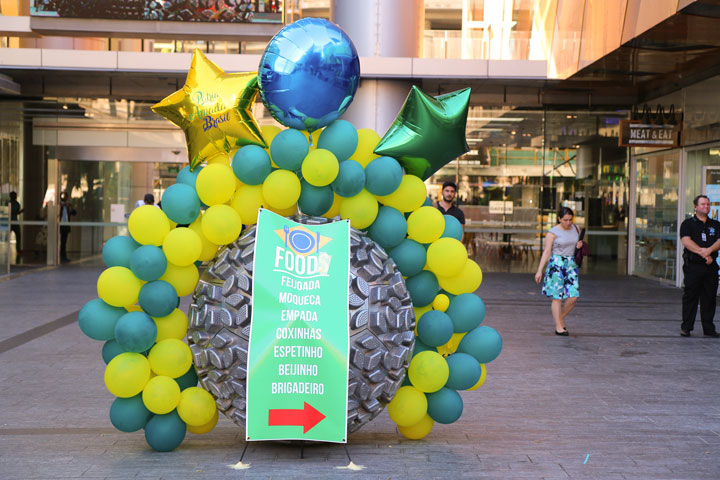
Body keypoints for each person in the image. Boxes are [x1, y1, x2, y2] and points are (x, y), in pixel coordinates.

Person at [534, 207, 585, 336]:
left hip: (571, 265)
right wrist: (539, 270)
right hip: (557, 265)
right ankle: (559, 327)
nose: (568, 223)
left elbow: (577, 244)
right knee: (557, 297)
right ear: (559, 219)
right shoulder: (553, 233)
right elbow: (546, 252)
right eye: (565, 220)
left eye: (570, 220)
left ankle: (560, 318)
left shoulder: (576, 228)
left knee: (573, 297)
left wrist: (579, 246)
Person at [679, 195, 720, 337]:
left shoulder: (715, 224)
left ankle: (709, 329)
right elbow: (686, 241)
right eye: (703, 204)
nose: (706, 207)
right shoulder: (688, 224)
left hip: (711, 267)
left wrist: (709, 251)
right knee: (691, 297)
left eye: (708, 204)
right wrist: (703, 254)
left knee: (709, 298)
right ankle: (686, 327)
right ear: (695, 207)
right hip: (694, 267)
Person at [59, 191, 76, 263]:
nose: (64, 198)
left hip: (65, 226)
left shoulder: (68, 206)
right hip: (59, 225)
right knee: (60, 242)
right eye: (63, 196)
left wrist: (70, 207)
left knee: (64, 242)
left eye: (65, 196)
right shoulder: (59, 205)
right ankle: (59, 256)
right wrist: (61, 206)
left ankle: (63, 256)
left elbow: (74, 213)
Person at [9, 191, 22, 255]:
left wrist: (20, 212)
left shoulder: (17, 204)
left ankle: (18, 249)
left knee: (18, 235)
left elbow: (16, 212)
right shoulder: (9, 203)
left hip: (15, 221)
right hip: (9, 221)